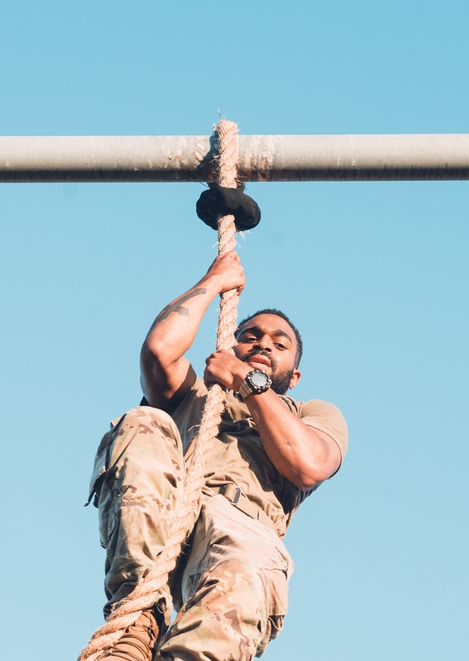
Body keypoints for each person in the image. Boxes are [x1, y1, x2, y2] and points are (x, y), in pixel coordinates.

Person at [86, 251, 348, 661]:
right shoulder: (195, 393)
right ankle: (134, 627)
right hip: (166, 507)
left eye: (280, 344)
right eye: (250, 336)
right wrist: (214, 280)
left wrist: (246, 380)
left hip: (244, 527)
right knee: (143, 422)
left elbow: (308, 463)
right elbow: (158, 352)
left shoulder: (310, 414)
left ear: (294, 376)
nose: (263, 342)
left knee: (239, 588)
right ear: (227, 346)